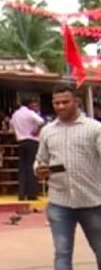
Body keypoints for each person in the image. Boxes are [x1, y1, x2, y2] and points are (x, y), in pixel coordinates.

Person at [35, 84, 101, 270]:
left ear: (77, 102)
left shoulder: (95, 128)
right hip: (59, 203)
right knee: (62, 253)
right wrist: (39, 169)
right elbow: (40, 159)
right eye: (57, 103)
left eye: (65, 102)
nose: (61, 106)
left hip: (93, 202)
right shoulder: (47, 131)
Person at [10, 97, 45, 201]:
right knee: (31, 167)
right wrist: (36, 130)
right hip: (32, 141)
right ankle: (31, 193)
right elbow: (41, 121)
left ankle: (21, 193)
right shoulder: (29, 113)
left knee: (22, 168)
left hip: (20, 141)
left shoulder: (15, 114)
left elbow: (11, 127)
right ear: (29, 104)